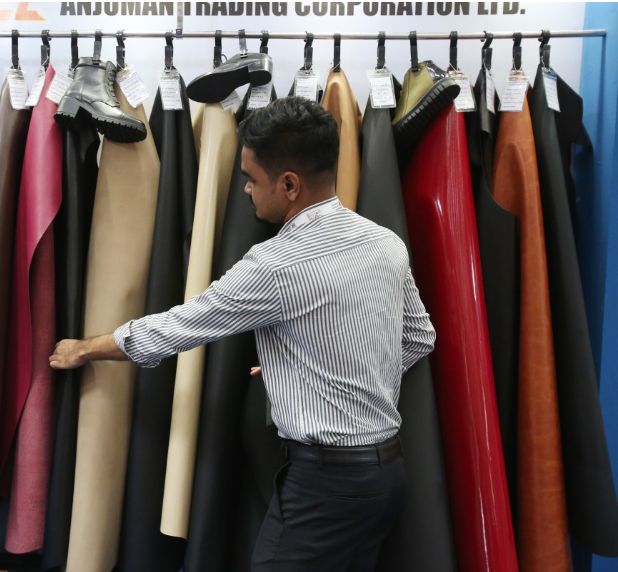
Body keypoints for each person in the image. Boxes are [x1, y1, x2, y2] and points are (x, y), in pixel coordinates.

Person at [49, 96, 436, 571]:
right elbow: (419, 337)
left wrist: (86, 348)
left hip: (325, 486)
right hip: (386, 477)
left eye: (252, 179)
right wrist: (328, 373)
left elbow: (173, 329)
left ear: (289, 184)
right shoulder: (384, 243)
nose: (248, 192)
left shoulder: (275, 265)